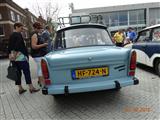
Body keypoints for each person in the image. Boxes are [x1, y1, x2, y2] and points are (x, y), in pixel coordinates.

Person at [8, 22, 40, 94]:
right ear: (16, 27)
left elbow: (9, 47)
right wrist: (16, 54)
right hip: (20, 56)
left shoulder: (11, 35)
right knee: (26, 72)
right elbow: (17, 46)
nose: (22, 30)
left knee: (17, 73)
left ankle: (20, 88)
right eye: (21, 28)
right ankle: (31, 88)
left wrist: (10, 55)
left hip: (13, 57)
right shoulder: (18, 35)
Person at [30, 22, 48, 87]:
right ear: (37, 28)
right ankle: (43, 84)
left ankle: (40, 82)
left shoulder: (36, 34)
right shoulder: (34, 35)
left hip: (39, 55)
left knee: (39, 68)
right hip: (38, 55)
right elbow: (34, 46)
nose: (41, 29)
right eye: (40, 28)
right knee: (41, 69)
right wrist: (44, 44)